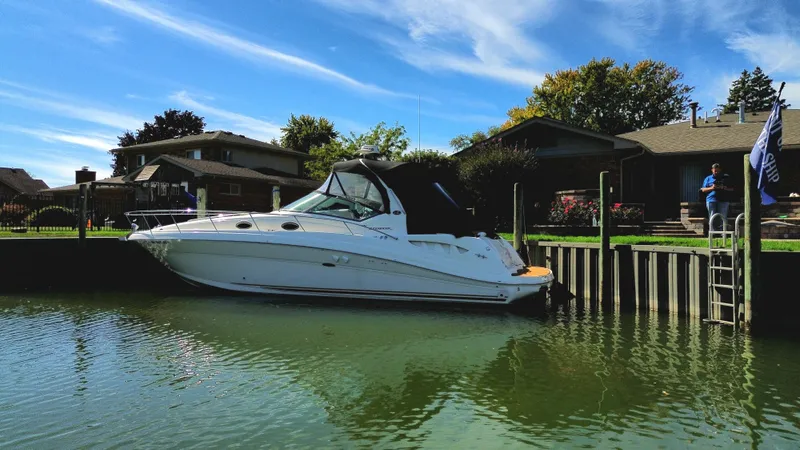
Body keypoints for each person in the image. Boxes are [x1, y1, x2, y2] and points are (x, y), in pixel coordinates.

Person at [700, 163, 734, 232]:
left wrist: (724, 188)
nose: (716, 172)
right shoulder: (708, 178)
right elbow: (703, 189)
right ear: (712, 170)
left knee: (723, 217)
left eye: (718, 171)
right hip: (711, 200)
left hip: (723, 200)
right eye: (715, 171)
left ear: (720, 170)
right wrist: (712, 188)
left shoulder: (726, 177)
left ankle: (723, 233)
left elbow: (732, 189)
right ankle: (713, 233)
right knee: (712, 217)